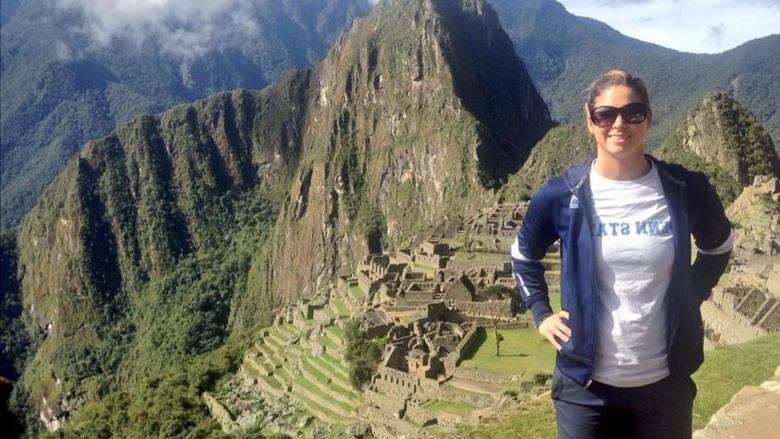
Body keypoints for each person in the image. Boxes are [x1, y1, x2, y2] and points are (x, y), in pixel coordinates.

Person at [510, 70, 733, 438]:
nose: (619, 124)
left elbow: (718, 246)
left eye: (632, 112)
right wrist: (540, 313)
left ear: (648, 118)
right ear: (589, 120)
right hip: (585, 389)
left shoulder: (684, 188)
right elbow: (523, 256)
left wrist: (692, 293)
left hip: (664, 384)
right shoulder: (563, 194)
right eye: (605, 114)